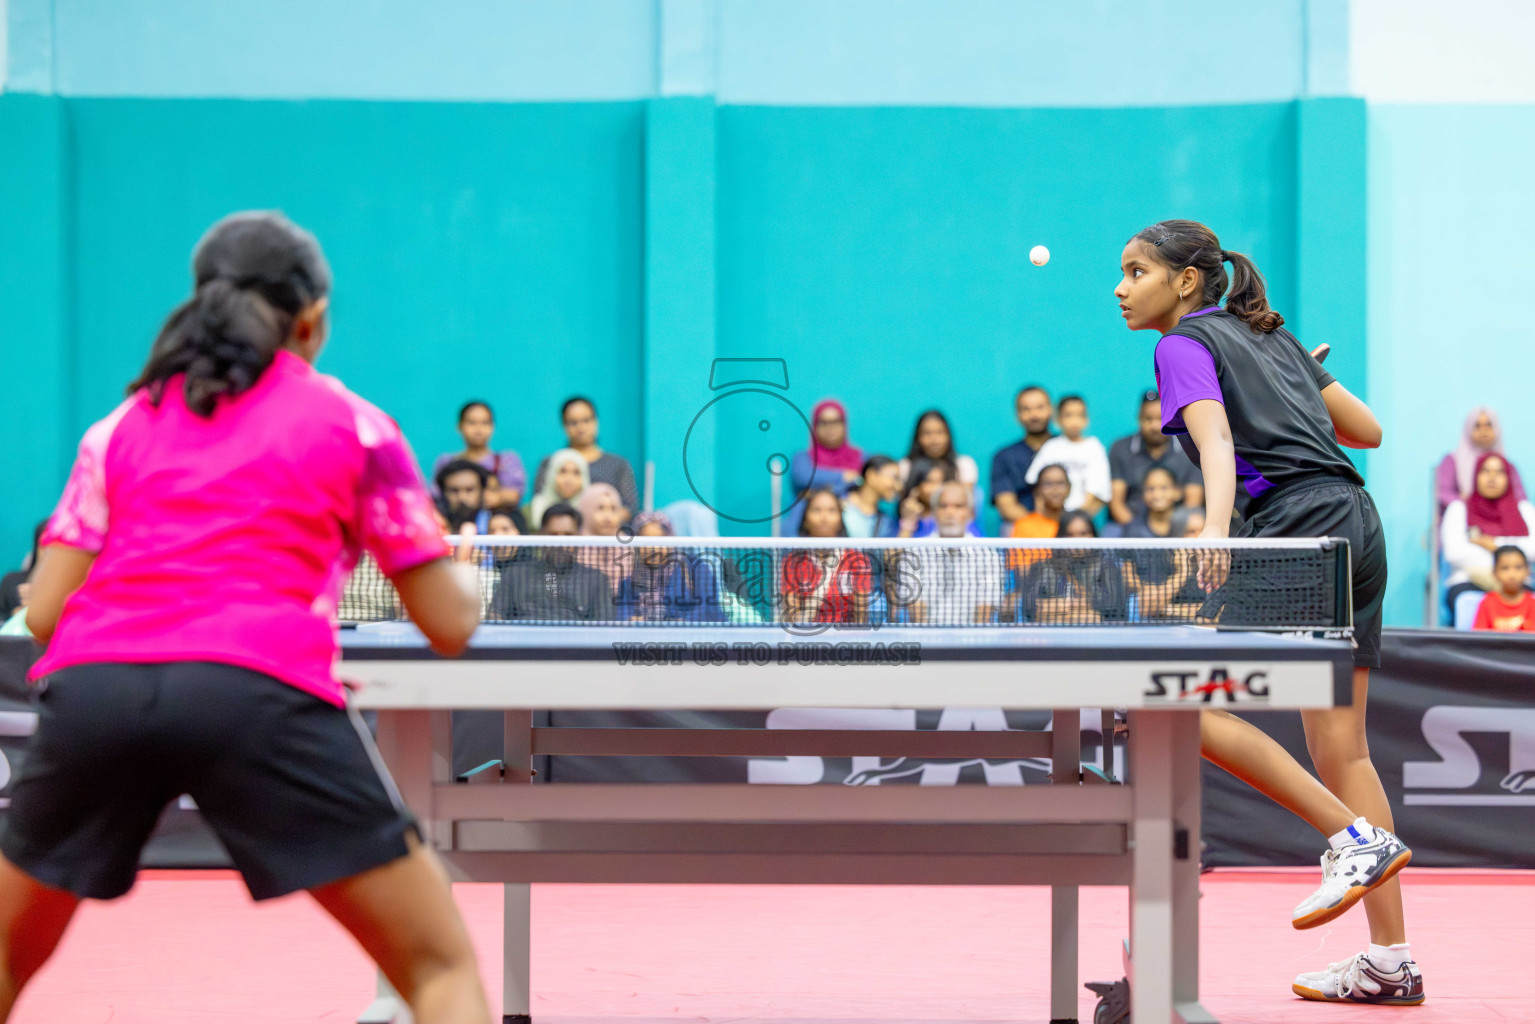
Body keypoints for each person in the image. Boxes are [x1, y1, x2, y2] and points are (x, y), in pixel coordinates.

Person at [0, 212, 491, 1022]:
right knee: (437, 968)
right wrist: (462, 577)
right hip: (255, 688)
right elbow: (449, 624)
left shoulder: (119, 426)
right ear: (313, 320)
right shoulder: (355, 424)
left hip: (97, 692)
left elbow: (46, 610)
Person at [1119, 218, 1417, 1004]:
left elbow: (1217, 449)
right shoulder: (1269, 335)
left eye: (1134, 271)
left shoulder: (1179, 345)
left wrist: (1213, 533)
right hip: (1355, 519)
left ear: (1184, 282)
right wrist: (1290, 381)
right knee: (1342, 746)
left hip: (1290, 529)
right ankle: (1389, 960)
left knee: (1176, 696)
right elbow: (1366, 432)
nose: (1119, 289)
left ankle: (1351, 840)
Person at [490, 503, 614, 622]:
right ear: (541, 535)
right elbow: (495, 615)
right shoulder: (514, 574)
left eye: (568, 535)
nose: (560, 542)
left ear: (579, 537)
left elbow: (604, 624)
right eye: (553, 534)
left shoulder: (597, 580)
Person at [1441, 452, 1535, 606]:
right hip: (1468, 581)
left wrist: (1494, 545)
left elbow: (1533, 550)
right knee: (1465, 601)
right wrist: (1512, 553)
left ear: (1508, 478)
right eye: (1485, 471)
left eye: (1499, 471)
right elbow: (1454, 553)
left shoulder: (1524, 509)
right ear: (1476, 475)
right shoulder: (1459, 508)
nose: (1492, 477)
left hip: (1516, 584)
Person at [904, 482, 1005, 625]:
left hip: (973, 641)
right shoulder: (914, 553)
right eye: (943, 506)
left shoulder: (988, 556)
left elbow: (986, 609)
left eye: (958, 506)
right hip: (926, 640)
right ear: (933, 512)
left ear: (971, 513)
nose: (950, 512)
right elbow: (915, 608)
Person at [780, 489, 875, 625]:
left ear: (841, 519)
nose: (824, 517)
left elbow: (861, 617)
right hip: (807, 640)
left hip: (846, 640)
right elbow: (791, 616)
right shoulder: (792, 562)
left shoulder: (858, 560)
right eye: (816, 510)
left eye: (831, 510)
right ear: (805, 520)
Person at [1108, 389, 1202, 527]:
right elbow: (1116, 504)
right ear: (1139, 418)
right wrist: (1141, 536)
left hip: (1179, 529)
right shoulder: (1120, 448)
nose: (1154, 426)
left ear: (1171, 417)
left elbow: (1192, 503)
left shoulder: (1189, 448)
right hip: (1131, 527)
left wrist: (1168, 534)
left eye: (1160, 418)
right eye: (1148, 419)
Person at [614, 511, 726, 623]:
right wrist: (630, 621)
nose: (653, 548)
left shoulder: (696, 569)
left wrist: (684, 622)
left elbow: (709, 609)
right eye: (646, 541)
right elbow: (622, 615)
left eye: (659, 540)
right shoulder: (628, 580)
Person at [1017, 511, 1128, 624]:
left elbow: (1117, 608)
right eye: (1070, 534)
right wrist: (1069, 608)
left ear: (1094, 535)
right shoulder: (1041, 568)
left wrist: (1063, 608)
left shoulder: (1108, 568)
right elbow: (1029, 608)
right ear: (1060, 536)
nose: (1077, 541)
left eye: (1084, 533)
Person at [532, 397, 638, 515]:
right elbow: (539, 502)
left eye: (586, 420)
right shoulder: (550, 463)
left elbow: (630, 508)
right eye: (573, 422)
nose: (580, 428)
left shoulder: (618, 465)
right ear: (564, 425)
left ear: (596, 421)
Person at [430, 401, 527, 509]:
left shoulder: (506, 460)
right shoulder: (446, 461)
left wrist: (496, 498)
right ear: (459, 426)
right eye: (472, 422)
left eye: (485, 423)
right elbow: (436, 497)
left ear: (493, 427)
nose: (478, 429)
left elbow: (514, 494)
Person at [1023, 396, 1110, 514]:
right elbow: (1037, 484)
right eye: (1068, 415)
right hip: (1051, 518)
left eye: (1080, 415)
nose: (1074, 421)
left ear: (1087, 419)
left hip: (1080, 518)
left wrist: (1079, 518)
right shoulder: (1051, 447)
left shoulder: (1094, 447)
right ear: (1058, 419)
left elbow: (1097, 492)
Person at [1436, 407, 1526, 513]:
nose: (1484, 431)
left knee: (1524, 508)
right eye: (1477, 426)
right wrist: (1470, 502)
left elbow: (1520, 497)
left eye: (1489, 425)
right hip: (1466, 517)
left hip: (1499, 518)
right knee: (1457, 508)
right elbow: (1442, 494)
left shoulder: (1505, 465)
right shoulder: (1453, 460)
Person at [990, 385, 1055, 529]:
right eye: (1026, 409)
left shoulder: (1069, 449)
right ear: (1017, 415)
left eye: (1040, 407)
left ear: (1051, 410)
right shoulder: (1004, 457)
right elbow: (1007, 506)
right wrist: (1040, 528)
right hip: (1024, 529)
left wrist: (1063, 525)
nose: (1034, 415)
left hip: (1067, 529)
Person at [897, 410, 980, 502]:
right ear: (918, 437)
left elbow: (967, 505)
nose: (934, 440)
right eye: (927, 433)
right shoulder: (905, 465)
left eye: (940, 432)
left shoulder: (963, 464)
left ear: (948, 435)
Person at [791, 399, 865, 499]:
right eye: (823, 423)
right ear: (814, 426)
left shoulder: (861, 457)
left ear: (845, 425)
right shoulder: (802, 458)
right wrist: (844, 477)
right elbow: (805, 477)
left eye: (836, 422)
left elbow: (866, 484)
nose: (830, 428)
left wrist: (813, 493)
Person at [1471, 546, 1535, 632]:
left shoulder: (1532, 603)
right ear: (1494, 572)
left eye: (1518, 567)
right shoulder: (1487, 602)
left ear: (1528, 571)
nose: (1512, 575)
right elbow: (1478, 637)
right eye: (1505, 568)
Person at [527, 447, 591, 531]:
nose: (569, 479)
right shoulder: (531, 511)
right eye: (563, 471)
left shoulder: (594, 513)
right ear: (551, 475)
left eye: (576, 473)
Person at [842, 456, 901, 538]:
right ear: (871, 476)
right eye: (894, 478)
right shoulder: (841, 507)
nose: (898, 486)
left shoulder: (887, 521)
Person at [1010, 463, 1070, 540]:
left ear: (1069, 488)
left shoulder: (1077, 525)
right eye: (1048, 484)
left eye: (1060, 483)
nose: (1055, 489)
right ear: (1038, 490)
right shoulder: (1025, 525)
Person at [1120, 465, 1181, 539]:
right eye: (1150, 489)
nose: (1157, 495)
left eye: (1164, 488)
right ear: (1142, 495)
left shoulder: (1188, 526)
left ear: (1177, 492)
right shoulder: (1134, 531)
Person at [434, 459, 492, 532]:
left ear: (483, 491)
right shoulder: (431, 528)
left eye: (469, 490)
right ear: (443, 493)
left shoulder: (499, 527)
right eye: (454, 491)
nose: (462, 498)